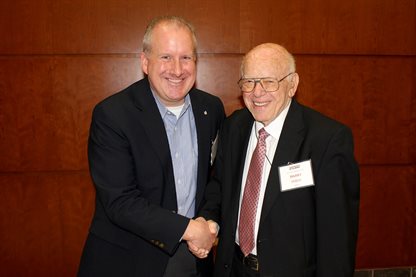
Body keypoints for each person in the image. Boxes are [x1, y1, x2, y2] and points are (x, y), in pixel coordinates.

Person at [78, 16, 225, 277]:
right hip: (129, 261)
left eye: (186, 58)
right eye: (166, 57)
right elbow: (120, 202)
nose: (177, 69)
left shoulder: (210, 109)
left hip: (194, 259)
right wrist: (189, 229)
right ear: (145, 62)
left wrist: (208, 223)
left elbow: (215, 179)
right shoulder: (113, 115)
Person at [198, 43, 360, 276]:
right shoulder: (234, 127)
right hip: (233, 268)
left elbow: (337, 238)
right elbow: (220, 186)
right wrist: (209, 221)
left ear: (292, 85)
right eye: (249, 82)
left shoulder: (327, 140)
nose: (257, 92)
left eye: (269, 82)